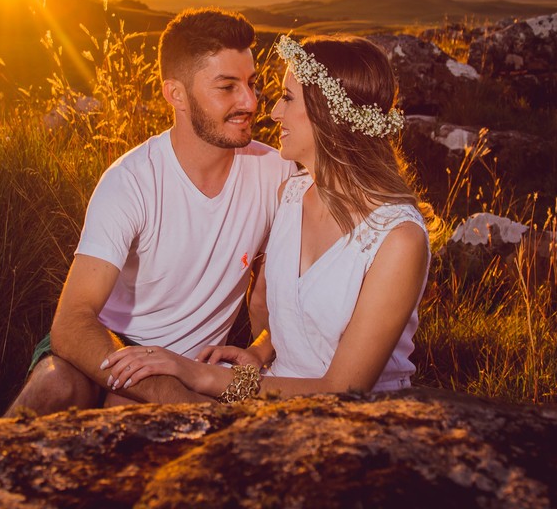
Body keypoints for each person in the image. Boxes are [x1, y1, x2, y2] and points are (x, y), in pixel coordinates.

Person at [102, 34, 432, 402]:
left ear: (329, 113)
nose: (273, 112)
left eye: (288, 98)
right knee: (124, 400)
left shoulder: (398, 239)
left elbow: (342, 389)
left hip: (351, 413)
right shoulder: (290, 195)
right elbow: (299, 313)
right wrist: (259, 352)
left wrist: (196, 373)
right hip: (273, 387)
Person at [4, 8, 291, 416]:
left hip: (194, 365)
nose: (250, 101)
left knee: (124, 402)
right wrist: (185, 403)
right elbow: (71, 323)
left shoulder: (276, 173)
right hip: (111, 341)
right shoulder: (130, 181)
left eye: (251, 83)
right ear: (176, 94)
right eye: (227, 87)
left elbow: (274, 297)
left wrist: (260, 353)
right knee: (56, 383)